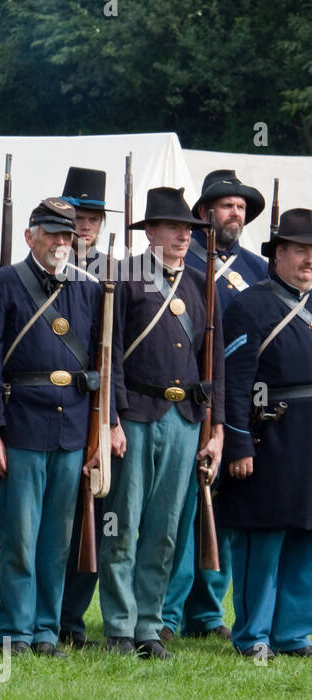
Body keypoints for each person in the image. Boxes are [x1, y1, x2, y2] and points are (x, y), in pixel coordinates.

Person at [0, 198, 118, 656]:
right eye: (53, 234)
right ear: (30, 236)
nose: (62, 242)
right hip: (21, 423)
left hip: (73, 426)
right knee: (20, 536)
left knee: (57, 537)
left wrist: (103, 429)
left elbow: (104, 361)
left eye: (67, 235)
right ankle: (16, 631)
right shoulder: (3, 283)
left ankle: (44, 629)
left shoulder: (90, 290)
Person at [99, 187, 224, 660]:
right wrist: (110, 419)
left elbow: (214, 366)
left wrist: (216, 430)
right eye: (172, 227)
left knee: (165, 530)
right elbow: (107, 356)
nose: (181, 236)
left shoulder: (200, 284)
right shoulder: (124, 279)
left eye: (187, 229)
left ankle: (150, 625)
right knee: (121, 525)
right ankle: (119, 625)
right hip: (134, 415)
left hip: (184, 418)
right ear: (149, 230)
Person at [162, 171, 269, 642]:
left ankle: (207, 615)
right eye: (227, 205)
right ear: (205, 212)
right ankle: (166, 614)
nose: (236, 214)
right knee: (180, 511)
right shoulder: (184, 261)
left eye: (241, 207)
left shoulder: (257, 268)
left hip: (237, 400)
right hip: (188, 396)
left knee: (221, 513)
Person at [218, 208, 312, 657]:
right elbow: (235, 383)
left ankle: (293, 634)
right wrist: (237, 442)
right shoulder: (251, 305)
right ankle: (253, 635)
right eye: (299, 250)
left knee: (305, 537)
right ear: (277, 255)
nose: (308, 259)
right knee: (264, 538)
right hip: (269, 437)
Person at [56, 166, 119, 647]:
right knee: (53, 519)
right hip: (50, 409)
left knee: (92, 516)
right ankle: (41, 616)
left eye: (93, 217)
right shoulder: (41, 266)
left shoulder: (117, 275)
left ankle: (72, 620)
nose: (84, 225)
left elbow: (117, 356)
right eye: (78, 215)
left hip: (98, 408)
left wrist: (112, 418)